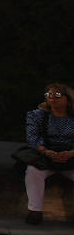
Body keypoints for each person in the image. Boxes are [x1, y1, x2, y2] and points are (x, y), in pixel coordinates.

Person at [22, 83, 74, 225]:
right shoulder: (37, 115)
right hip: (46, 156)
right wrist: (46, 151)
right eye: (49, 94)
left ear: (68, 99)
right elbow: (32, 137)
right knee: (33, 171)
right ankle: (35, 211)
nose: (52, 98)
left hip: (71, 157)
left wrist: (70, 153)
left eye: (57, 95)